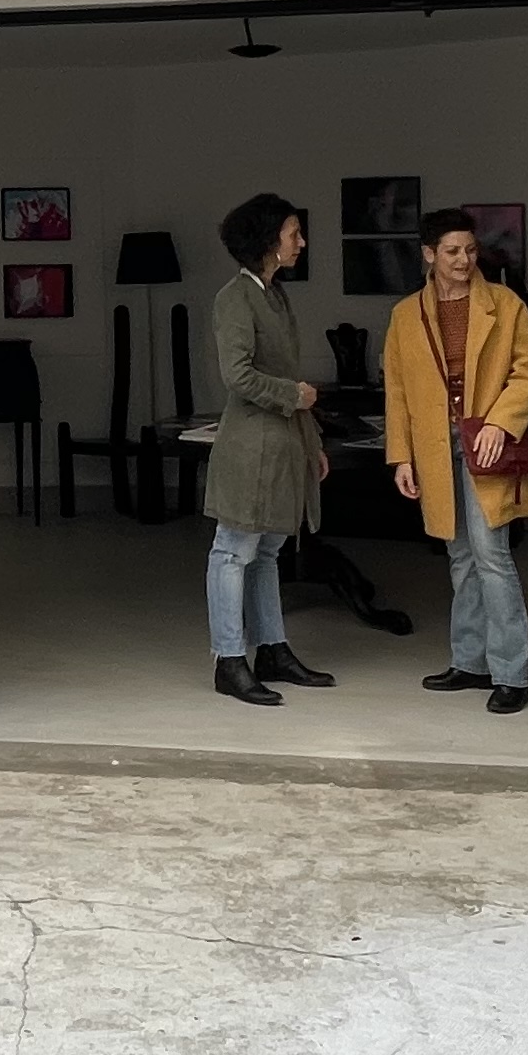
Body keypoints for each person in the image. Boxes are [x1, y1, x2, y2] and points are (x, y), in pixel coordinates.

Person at [384, 208, 528, 711]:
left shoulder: (506, 304)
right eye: (452, 251)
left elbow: (527, 373)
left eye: (470, 250)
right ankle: (470, 662)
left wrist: (500, 423)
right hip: (433, 443)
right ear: (429, 254)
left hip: (486, 438)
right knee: (458, 555)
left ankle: (512, 673)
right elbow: (397, 391)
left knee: (491, 553)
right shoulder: (405, 315)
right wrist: (401, 456)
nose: (463, 260)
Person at [205, 192, 337, 707]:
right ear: (268, 240)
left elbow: (282, 375)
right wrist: (294, 395)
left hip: (282, 443)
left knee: (266, 552)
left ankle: (273, 650)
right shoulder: (235, 298)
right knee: (233, 551)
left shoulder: (276, 295)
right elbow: (237, 375)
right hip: (250, 445)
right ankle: (229, 658)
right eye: (293, 234)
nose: (301, 242)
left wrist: (312, 442)